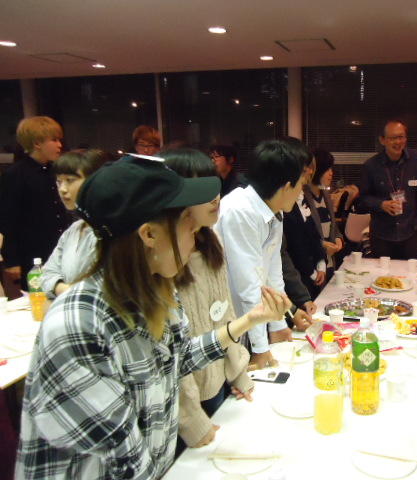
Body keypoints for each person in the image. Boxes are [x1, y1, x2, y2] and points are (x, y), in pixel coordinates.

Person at [15, 155, 290, 479]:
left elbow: (178, 357)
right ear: (149, 235)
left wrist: (250, 320)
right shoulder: (79, 326)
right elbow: (126, 463)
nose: (196, 235)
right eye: (187, 224)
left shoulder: (157, 293)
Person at [160, 148, 256, 454]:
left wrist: (238, 371)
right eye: (201, 188)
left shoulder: (210, 243)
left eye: (214, 184)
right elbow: (170, 359)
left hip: (217, 382)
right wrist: (191, 420)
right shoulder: (163, 261)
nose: (214, 197)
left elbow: (224, 313)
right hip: (184, 405)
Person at [216, 139, 307, 369]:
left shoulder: (274, 207)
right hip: (225, 320)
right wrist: (260, 348)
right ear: (287, 186)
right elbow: (249, 287)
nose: (301, 192)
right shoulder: (240, 210)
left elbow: (273, 274)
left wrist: (279, 326)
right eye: (301, 185)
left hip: (248, 318)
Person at [0, 116, 70, 290]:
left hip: (61, 249)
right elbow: (8, 219)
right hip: (32, 253)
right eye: (54, 140)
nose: (59, 145)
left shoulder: (57, 170)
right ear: (37, 143)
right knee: (38, 296)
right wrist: (12, 261)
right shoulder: (15, 175)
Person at [41, 150, 108, 298]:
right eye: (59, 181)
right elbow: (46, 274)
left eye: (70, 180)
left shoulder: (111, 230)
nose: (62, 189)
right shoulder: (74, 229)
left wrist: (64, 292)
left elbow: (103, 287)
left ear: (95, 181)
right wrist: (63, 289)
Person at [358, 120, 417, 259]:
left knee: (411, 272)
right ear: (382, 140)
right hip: (382, 235)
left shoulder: (416, 159)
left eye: (401, 137)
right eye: (392, 138)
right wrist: (381, 204)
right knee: (382, 272)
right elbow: (363, 198)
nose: (398, 142)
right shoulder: (371, 165)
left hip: (410, 233)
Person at [283, 146, 327, 299]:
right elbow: (292, 245)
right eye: (306, 168)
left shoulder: (301, 194)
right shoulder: (284, 201)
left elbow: (314, 233)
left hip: (311, 272)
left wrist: (321, 262)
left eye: (311, 167)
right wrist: (311, 272)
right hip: (295, 277)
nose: (310, 171)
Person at [305, 148, 344, 272]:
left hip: (329, 260)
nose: (331, 173)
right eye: (327, 169)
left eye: (331, 169)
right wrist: (321, 245)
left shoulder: (326, 195)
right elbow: (302, 233)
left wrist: (338, 238)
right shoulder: (302, 196)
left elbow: (333, 226)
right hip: (312, 262)